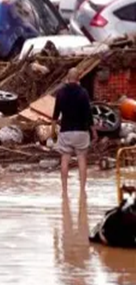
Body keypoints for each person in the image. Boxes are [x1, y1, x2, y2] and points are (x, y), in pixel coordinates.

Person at [52, 67, 98, 200]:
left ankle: (64, 191)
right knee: (82, 160)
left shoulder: (60, 93)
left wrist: (52, 132)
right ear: (78, 79)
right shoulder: (83, 93)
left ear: (67, 78)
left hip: (66, 131)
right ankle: (82, 191)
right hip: (81, 132)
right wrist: (94, 131)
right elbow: (88, 114)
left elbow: (55, 115)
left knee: (65, 159)